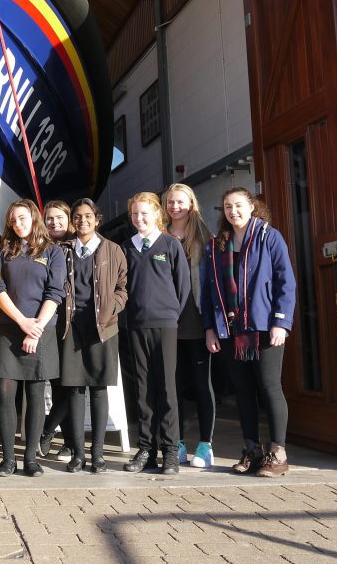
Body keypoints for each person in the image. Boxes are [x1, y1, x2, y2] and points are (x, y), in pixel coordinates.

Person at [202, 187, 296, 477]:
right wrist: (210, 328)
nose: (234, 212)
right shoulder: (217, 245)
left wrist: (281, 322)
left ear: (252, 206)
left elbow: (286, 282)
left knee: (269, 388)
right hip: (230, 329)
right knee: (243, 391)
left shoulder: (270, 236)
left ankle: (278, 454)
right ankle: (252, 451)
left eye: (239, 205)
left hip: (264, 327)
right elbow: (208, 291)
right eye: (228, 207)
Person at [0, 199, 65, 477]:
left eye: (22, 218)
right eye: (13, 220)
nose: (17, 224)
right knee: (5, 394)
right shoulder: (2, 251)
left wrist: (36, 328)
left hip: (41, 328)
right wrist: (21, 322)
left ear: (34, 219)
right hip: (10, 329)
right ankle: (8, 459)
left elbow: (55, 292)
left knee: (35, 395)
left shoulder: (52, 252)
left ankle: (31, 458)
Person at [54, 198, 127, 474]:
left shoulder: (113, 250)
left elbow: (124, 286)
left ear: (97, 219)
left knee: (98, 389)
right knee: (73, 389)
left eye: (87, 216)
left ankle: (98, 455)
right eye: (77, 217)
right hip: (71, 327)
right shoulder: (64, 250)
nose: (82, 221)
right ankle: (78, 453)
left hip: (103, 328)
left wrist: (113, 308)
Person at [122, 192, 191, 476]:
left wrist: (171, 314)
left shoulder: (170, 245)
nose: (140, 218)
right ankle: (147, 450)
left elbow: (183, 286)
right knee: (143, 388)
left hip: (165, 324)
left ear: (156, 214)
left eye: (145, 213)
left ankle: (170, 451)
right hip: (137, 325)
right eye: (135, 214)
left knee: (167, 389)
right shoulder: (126, 247)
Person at [163, 183, 216, 468]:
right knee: (174, 384)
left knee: (200, 383)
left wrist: (211, 326)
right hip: (169, 320)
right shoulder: (159, 236)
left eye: (180, 201)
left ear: (191, 204)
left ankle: (206, 445)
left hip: (197, 320)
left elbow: (211, 286)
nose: (175, 206)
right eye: (170, 202)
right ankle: (177, 441)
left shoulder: (205, 238)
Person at [38, 200, 78, 464]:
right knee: (56, 381)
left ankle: (49, 431)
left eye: (59, 217)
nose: (54, 223)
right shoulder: (40, 248)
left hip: (75, 323)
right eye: (49, 218)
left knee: (72, 384)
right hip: (50, 322)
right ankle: (68, 443)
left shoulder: (79, 246)